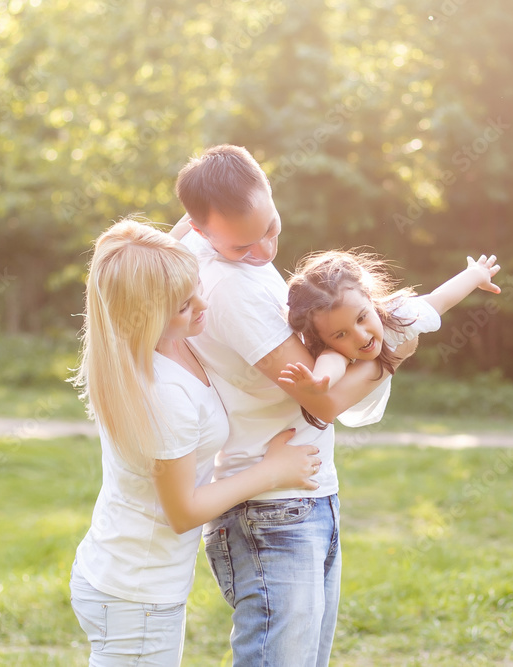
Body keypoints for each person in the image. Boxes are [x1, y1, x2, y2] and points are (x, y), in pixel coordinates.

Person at [171, 144, 418, 666]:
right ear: (202, 230)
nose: (263, 250)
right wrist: (388, 353)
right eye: (243, 245)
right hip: (272, 513)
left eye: (271, 227)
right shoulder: (230, 287)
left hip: (301, 497)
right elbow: (320, 403)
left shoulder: (207, 247)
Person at [68, 219, 321, 666]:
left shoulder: (160, 340)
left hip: (127, 576)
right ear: (146, 315)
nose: (204, 304)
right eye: (186, 305)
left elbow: (187, 228)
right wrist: (272, 471)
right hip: (136, 593)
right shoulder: (163, 391)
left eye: (197, 286)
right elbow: (182, 511)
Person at [279, 250, 501, 429]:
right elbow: (331, 363)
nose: (361, 336)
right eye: (341, 334)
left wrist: (477, 274)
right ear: (323, 338)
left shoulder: (399, 316)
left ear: (368, 297)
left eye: (362, 318)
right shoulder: (332, 351)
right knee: (334, 355)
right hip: (351, 400)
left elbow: (441, 299)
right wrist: (318, 381)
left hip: (379, 370)